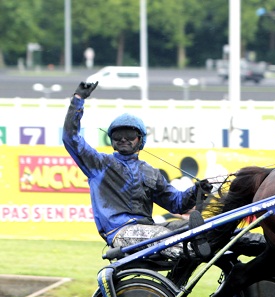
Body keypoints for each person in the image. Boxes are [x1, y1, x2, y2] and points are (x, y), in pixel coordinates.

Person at [62, 81, 212, 259]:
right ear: (112, 140)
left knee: (189, 227)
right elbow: (70, 138)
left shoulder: (150, 173)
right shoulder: (99, 164)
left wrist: (197, 190)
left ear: (140, 140)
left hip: (148, 229)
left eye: (130, 135)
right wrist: (78, 99)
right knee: (162, 236)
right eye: (118, 136)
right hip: (120, 232)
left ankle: (225, 244)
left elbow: (176, 203)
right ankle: (196, 250)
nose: (123, 139)